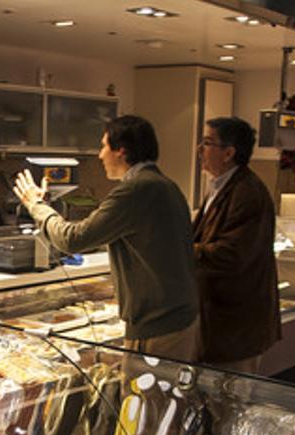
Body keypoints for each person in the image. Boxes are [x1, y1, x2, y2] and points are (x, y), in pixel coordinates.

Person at [12, 115, 200, 363]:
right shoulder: (166, 185)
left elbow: (73, 239)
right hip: (178, 319)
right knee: (167, 399)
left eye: (103, 146)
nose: (100, 155)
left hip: (157, 327)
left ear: (121, 151)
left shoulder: (135, 190)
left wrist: (35, 206)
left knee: (146, 400)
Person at [192, 117, 280, 373]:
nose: (200, 149)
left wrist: (178, 251)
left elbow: (231, 255)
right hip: (216, 321)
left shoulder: (247, 192)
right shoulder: (219, 186)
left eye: (207, 143)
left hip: (236, 325)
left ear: (229, 152)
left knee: (230, 402)